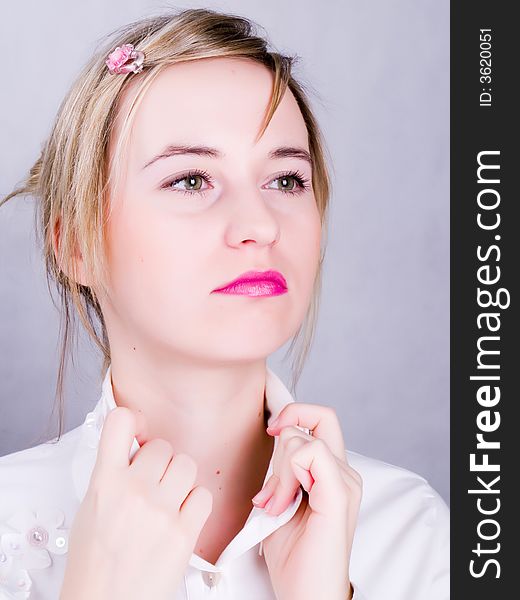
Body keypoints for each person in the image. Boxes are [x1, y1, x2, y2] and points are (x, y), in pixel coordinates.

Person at [0, 7, 449, 600]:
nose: (260, 224)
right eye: (191, 180)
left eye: (286, 180)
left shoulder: (408, 530)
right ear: (76, 245)